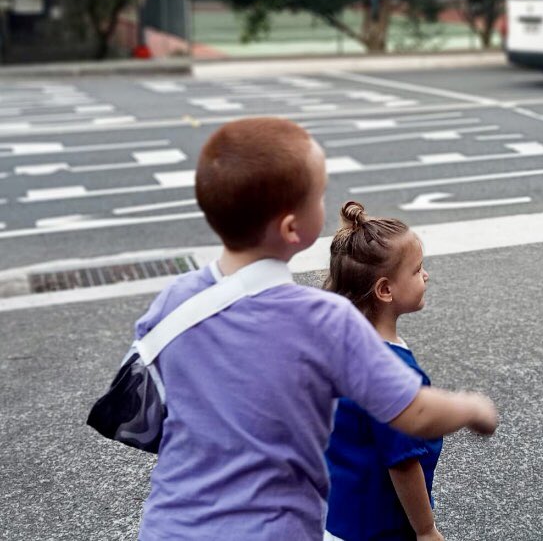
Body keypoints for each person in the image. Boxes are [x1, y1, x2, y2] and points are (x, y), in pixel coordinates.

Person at [134, 117, 497, 541]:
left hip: (169, 525)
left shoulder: (175, 299)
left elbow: (149, 405)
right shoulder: (324, 318)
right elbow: (412, 413)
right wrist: (472, 408)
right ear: (293, 228)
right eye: (319, 195)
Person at [324, 201, 444, 541]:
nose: (426, 275)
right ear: (386, 290)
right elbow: (402, 462)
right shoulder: (391, 371)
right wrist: (426, 530)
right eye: (418, 269)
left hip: (335, 514)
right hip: (378, 526)